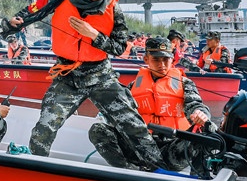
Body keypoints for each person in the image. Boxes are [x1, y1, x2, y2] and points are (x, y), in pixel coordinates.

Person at [4, 0, 163, 166]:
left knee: (133, 125)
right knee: (44, 129)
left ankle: (160, 171)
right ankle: (36, 171)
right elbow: (31, 12)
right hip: (67, 76)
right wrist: (14, 23)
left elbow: (119, 47)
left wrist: (94, 35)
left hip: (101, 76)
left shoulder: (113, 8)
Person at [89, 37, 210, 172]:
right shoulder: (133, 86)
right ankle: (129, 171)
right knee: (98, 130)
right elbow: (119, 114)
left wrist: (200, 113)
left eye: (166, 60)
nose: (162, 64)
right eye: (156, 60)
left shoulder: (185, 83)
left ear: (172, 60)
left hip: (170, 150)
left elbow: (195, 104)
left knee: (203, 133)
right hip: (140, 147)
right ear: (146, 60)